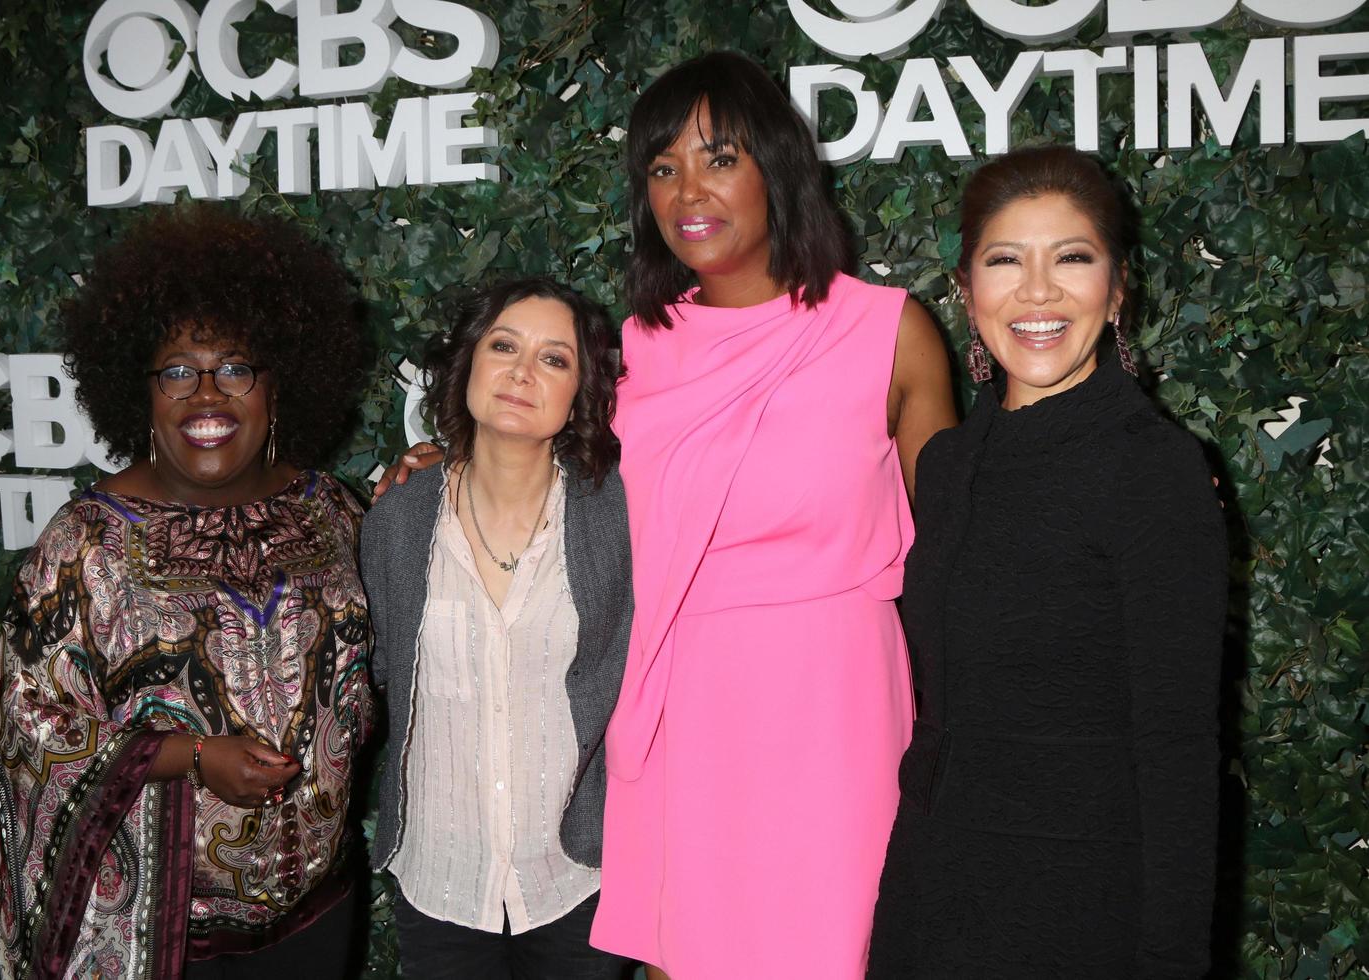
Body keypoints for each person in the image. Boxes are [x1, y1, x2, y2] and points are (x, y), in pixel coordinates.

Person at [582, 51, 956, 979]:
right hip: (685, 705)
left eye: (717, 157)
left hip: (839, 706)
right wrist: (433, 470)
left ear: (777, 169)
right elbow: (542, 492)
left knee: (846, 947)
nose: (686, 191)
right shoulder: (628, 350)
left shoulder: (888, 331)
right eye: (662, 168)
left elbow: (962, 543)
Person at [867, 146, 1228, 977]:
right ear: (965, 290)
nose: (1037, 292)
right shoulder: (950, 464)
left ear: (1118, 285)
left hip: (1084, 905)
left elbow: (1177, 748)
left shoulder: (1153, 469)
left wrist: (1171, 959)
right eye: (1005, 261)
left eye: (1072, 257)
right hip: (932, 890)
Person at [0, 207, 375, 980]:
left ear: (278, 384)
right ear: (141, 390)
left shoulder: (333, 511)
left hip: (320, 920)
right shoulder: (86, 541)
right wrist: (189, 756)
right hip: (163, 945)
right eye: (176, 370)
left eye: (235, 367)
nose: (206, 394)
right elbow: (23, 721)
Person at [359, 278, 635, 979]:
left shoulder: (619, 518)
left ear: (582, 392)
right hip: (442, 879)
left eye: (554, 359)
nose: (520, 372)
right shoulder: (397, 519)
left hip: (578, 875)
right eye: (504, 346)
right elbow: (385, 673)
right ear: (468, 364)